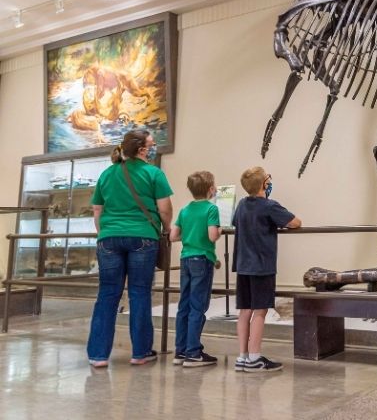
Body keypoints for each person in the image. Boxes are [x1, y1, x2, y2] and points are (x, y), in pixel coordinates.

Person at [87, 129, 173, 367]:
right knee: (139, 293)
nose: (153, 148)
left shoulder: (106, 174)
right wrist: (164, 229)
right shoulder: (153, 173)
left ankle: (98, 355)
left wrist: (105, 231)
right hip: (143, 237)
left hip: (108, 238)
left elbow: (97, 210)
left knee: (107, 294)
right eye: (152, 145)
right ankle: (141, 352)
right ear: (142, 149)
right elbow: (165, 209)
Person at [233, 166, 301, 373]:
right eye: (268, 179)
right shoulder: (270, 206)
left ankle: (243, 356)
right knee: (260, 311)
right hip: (261, 266)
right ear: (264, 184)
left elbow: (236, 222)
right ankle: (255, 358)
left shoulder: (242, 205)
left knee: (245, 311)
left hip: (243, 265)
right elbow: (295, 222)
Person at [170, 171, 221, 367]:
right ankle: (193, 352)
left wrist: (189, 235)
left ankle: (180, 351)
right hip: (203, 258)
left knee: (184, 304)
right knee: (198, 305)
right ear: (210, 189)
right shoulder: (211, 209)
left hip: (186, 259)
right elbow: (212, 236)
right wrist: (220, 230)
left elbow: (173, 236)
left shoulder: (184, 210)